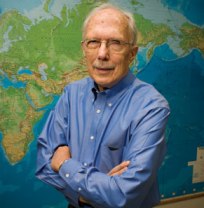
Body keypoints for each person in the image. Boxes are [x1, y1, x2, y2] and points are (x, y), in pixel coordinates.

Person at [36, 3, 170, 208]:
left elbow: (123, 195)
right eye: (93, 42)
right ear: (84, 48)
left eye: (115, 43)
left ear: (132, 53)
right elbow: (45, 163)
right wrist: (88, 195)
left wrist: (65, 164)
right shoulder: (71, 94)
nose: (102, 54)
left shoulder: (151, 107)